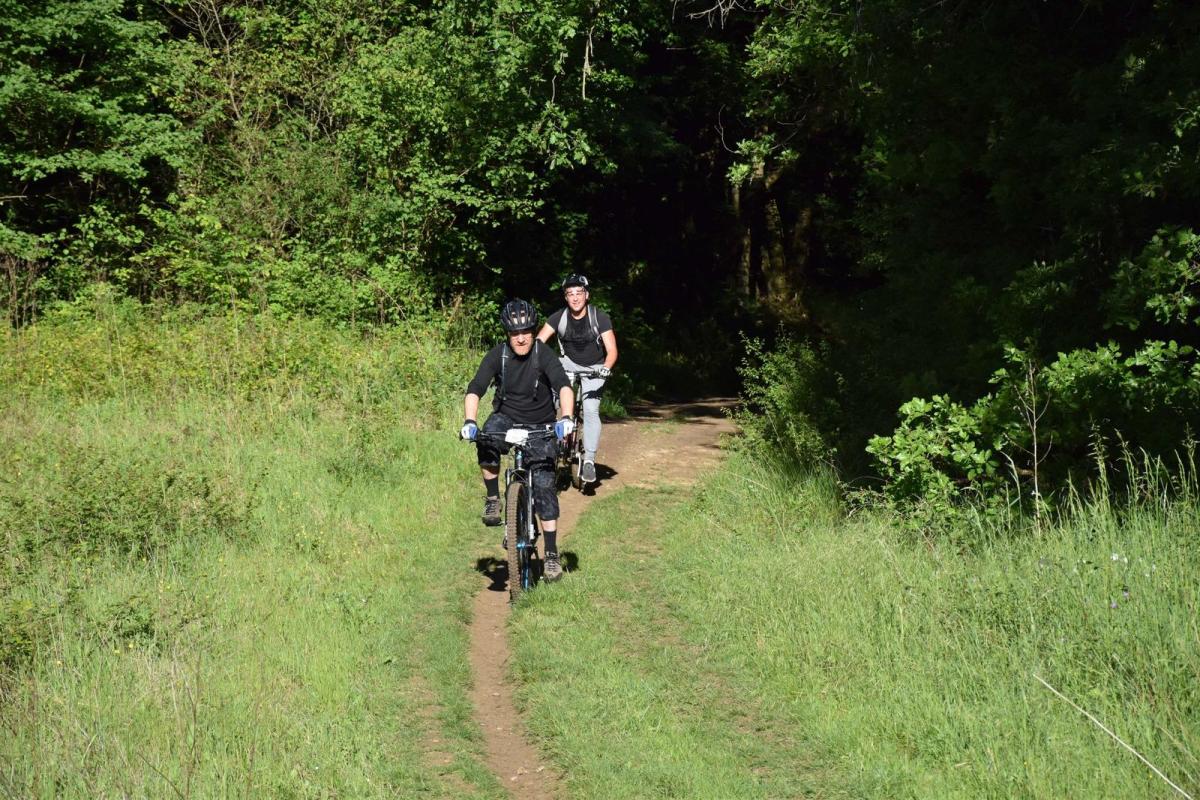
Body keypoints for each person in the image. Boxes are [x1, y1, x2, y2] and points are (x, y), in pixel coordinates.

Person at [461, 299, 575, 581]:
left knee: (544, 485)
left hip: (541, 424)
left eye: (526, 332)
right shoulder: (497, 355)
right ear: (507, 334)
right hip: (507, 418)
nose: (521, 338)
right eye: (515, 333)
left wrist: (566, 418)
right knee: (486, 438)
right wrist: (470, 422)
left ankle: (551, 555)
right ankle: (492, 498)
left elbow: (563, 386)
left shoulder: (543, 354)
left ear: (534, 331)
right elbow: (476, 388)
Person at [536, 274, 618, 484]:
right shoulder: (558, 318)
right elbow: (539, 342)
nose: (575, 298)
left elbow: (612, 350)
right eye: (570, 294)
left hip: (595, 368)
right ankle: (553, 443)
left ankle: (589, 460)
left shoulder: (599, 317)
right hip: (568, 365)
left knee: (590, 410)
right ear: (565, 297)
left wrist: (606, 368)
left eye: (579, 293)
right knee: (554, 402)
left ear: (586, 295)